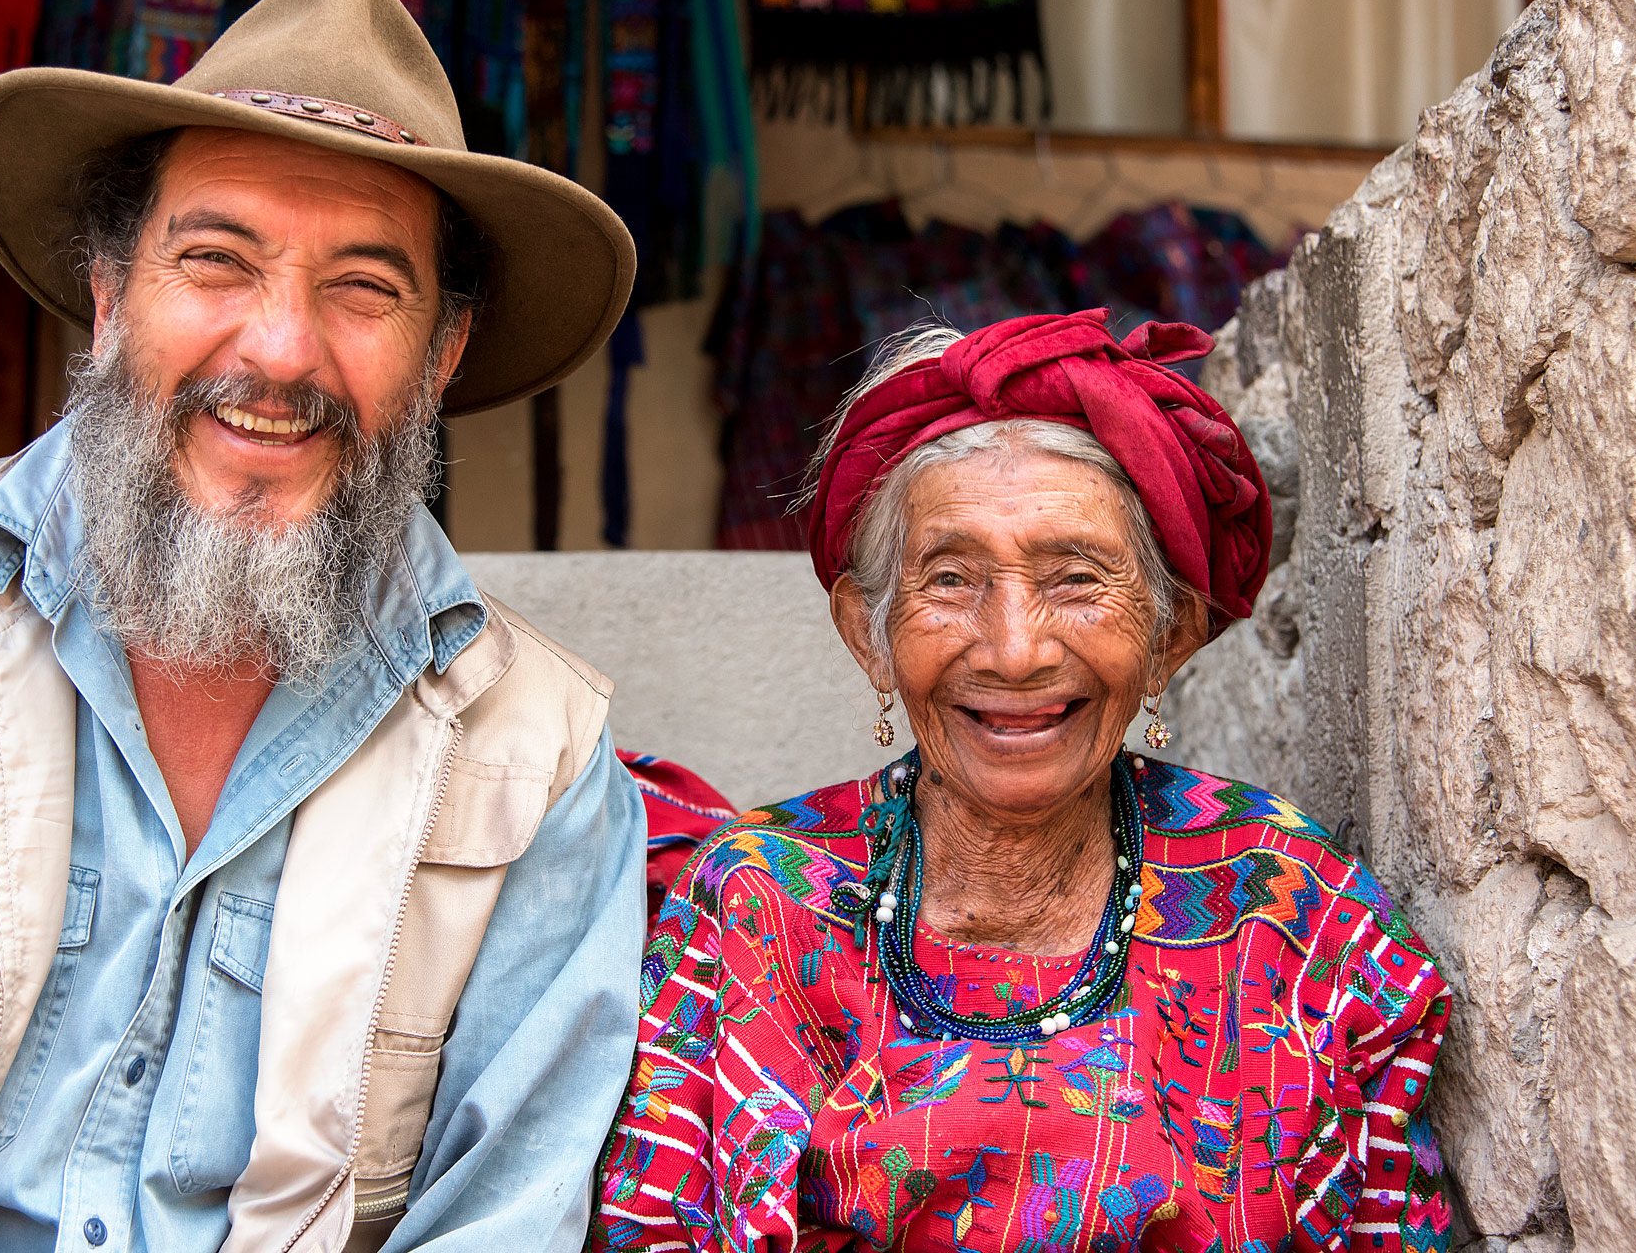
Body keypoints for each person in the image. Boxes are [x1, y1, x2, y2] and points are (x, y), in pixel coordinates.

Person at [0, 0, 646, 1253]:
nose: (282, 351)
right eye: (215, 261)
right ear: (114, 292)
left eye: (364, 289)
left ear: (442, 353)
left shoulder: (542, 760)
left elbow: (502, 1215)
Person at [590, 311, 1452, 1251]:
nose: (1012, 651)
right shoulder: (758, 901)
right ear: (866, 633)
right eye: (951, 579)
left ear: (1170, 636)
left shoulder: (1295, 911)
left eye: (1077, 579)